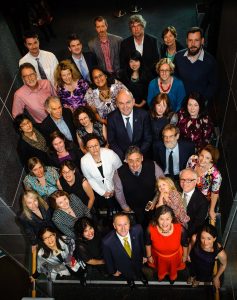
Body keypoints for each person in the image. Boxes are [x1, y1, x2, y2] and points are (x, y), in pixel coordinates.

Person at [114, 146, 164, 227]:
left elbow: (163, 185)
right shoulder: (118, 173)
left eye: (137, 160)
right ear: (126, 160)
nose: (135, 164)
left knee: (153, 227)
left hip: (152, 206)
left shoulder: (153, 166)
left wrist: (155, 200)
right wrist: (125, 207)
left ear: (142, 158)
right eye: (131, 161)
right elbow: (118, 192)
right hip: (133, 209)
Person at [81, 134, 122, 218]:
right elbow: (89, 179)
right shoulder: (84, 160)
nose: (94, 148)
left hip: (116, 187)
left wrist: (115, 188)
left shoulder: (109, 153)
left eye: (96, 145)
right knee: (106, 214)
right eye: (90, 147)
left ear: (99, 144)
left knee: (120, 209)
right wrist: (102, 193)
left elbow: (119, 170)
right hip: (100, 191)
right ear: (86, 148)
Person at [102, 212, 148, 288]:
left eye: (125, 224)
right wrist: (113, 271)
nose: (123, 228)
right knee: (128, 275)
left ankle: (141, 276)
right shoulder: (107, 242)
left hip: (137, 259)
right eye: (119, 225)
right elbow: (108, 259)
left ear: (129, 224)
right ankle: (130, 281)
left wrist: (144, 255)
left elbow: (141, 243)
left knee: (139, 269)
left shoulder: (138, 229)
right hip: (122, 265)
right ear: (114, 225)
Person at [174, 27, 218, 105]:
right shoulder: (178, 56)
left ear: (202, 41)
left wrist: (202, 100)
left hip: (198, 104)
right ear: (186, 41)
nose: (193, 44)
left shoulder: (210, 61)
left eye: (196, 40)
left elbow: (213, 85)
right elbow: (174, 77)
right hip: (181, 101)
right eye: (190, 40)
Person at [107, 89, 152, 161]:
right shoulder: (111, 118)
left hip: (142, 156)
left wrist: (138, 155)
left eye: (128, 102)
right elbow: (112, 141)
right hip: (123, 158)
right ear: (117, 104)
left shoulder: (143, 115)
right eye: (121, 103)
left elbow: (148, 138)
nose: (125, 107)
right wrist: (125, 157)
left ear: (133, 101)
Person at [145, 205, 186, 283]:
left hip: (175, 257)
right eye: (161, 219)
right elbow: (148, 243)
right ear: (157, 219)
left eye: (167, 219)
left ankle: (172, 278)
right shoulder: (150, 229)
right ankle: (161, 277)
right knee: (160, 271)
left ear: (172, 218)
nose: (164, 223)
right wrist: (149, 256)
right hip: (159, 258)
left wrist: (185, 255)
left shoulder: (180, 229)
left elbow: (185, 244)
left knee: (173, 273)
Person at [186, 144, 222, 222]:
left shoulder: (216, 175)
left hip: (201, 200)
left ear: (212, 160)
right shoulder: (192, 159)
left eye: (207, 158)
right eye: (202, 155)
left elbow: (215, 193)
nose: (202, 159)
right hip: (187, 190)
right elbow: (186, 173)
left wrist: (212, 210)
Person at [187, 224, 227, 289]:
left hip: (206, 268)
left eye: (209, 239)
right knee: (192, 271)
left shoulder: (219, 252)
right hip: (194, 261)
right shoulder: (195, 238)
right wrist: (187, 254)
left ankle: (197, 280)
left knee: (201, 275)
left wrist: (216, 277)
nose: (205, 242)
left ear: (214, 238)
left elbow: (224, 264)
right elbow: (191, 245)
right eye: (202, 238)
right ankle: (192, 276)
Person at [179, 168, 209, 240]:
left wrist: (183, 236)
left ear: (195, 181)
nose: (185, 183)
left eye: (189, 180)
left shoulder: (202, 202)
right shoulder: (175, 189)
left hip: (186, 234)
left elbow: (197, 225)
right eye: (182, 179)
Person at [150, 93, 178, 159]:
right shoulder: (148, 116)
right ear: (155, 105)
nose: (161, 108)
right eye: (159, 105)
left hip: (164, 149)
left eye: (164, 106)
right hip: (150, 149)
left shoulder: (169, 119)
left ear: (167, 107)